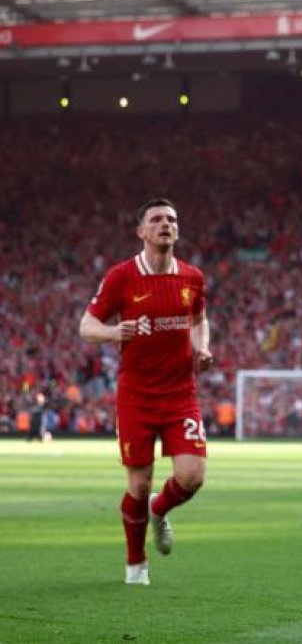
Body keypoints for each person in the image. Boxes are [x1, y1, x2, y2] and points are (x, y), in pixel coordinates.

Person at [80, 198, 213, 586]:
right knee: (137, 483)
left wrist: (201, 348)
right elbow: (86, 325)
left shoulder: (192, 277)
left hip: (180, 393)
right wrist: (112, 332)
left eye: (171, 219)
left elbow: (199, 321)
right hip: (136, 394)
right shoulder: (122, 277)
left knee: (192, 477)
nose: (165, 225)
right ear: (141, 232)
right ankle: (136, 564)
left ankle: (160, 509)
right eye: (156, 220)